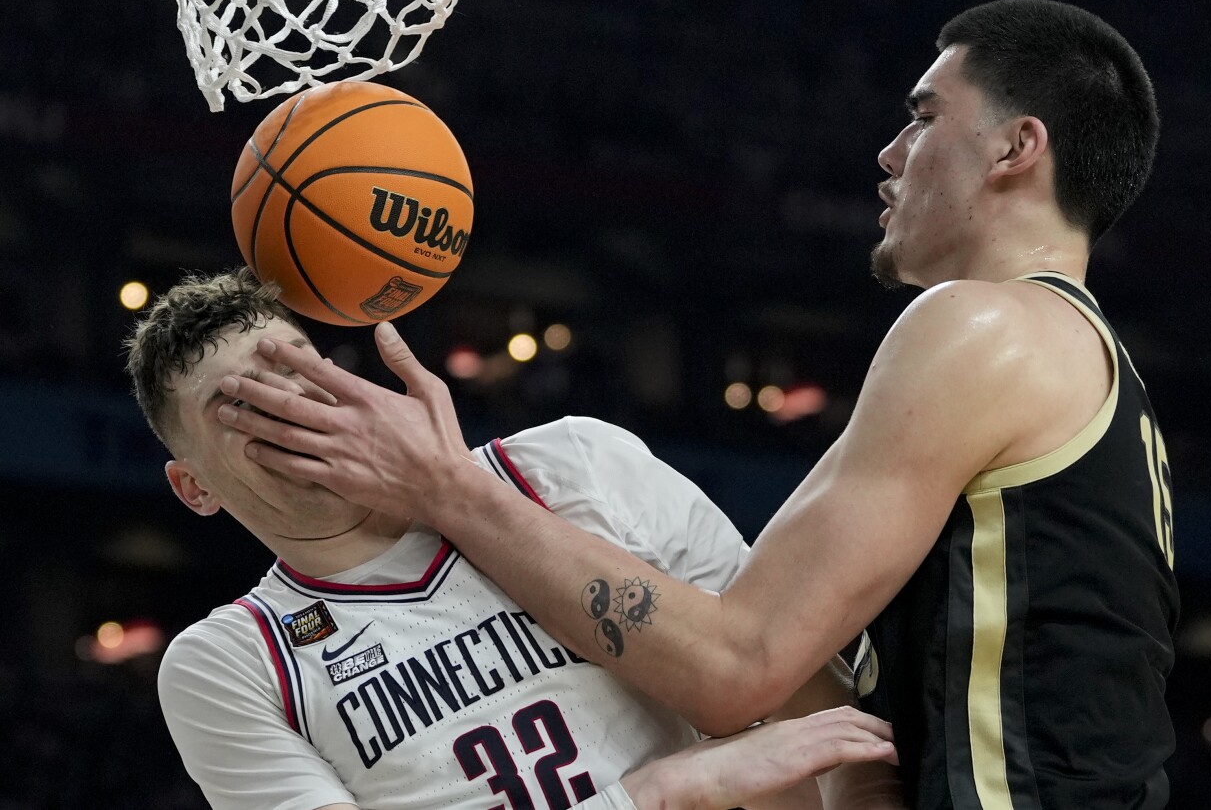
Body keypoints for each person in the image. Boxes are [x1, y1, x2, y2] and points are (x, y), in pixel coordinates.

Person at [216, 0, 1179, 809]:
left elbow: (736, 666)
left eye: (925, 117)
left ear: (1018, 146)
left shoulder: (980, 328)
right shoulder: (1086, 362)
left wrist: (447, 487)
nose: (889, 153)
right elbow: (821, 699)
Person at [124, 268, 901, 810]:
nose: (287, 407)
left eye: (294, 370)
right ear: (193, 487)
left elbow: (814, 710)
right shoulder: (229, 661)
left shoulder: (576, 466)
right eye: (239, 407)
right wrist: (662, 791)